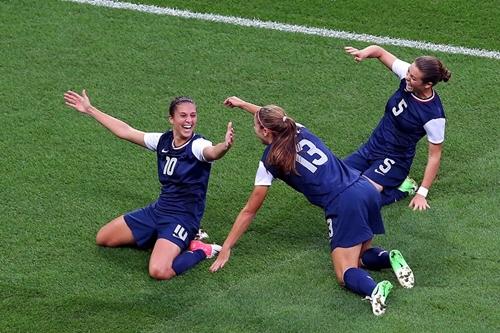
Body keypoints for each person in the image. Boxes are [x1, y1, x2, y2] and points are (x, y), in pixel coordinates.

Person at [210, 97, 414, 316]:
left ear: (266, 131)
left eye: (255, 126)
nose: (254, 129)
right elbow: (273, 116)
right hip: (365, 188)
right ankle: (388, 257)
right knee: (361, 256)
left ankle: (375, 290)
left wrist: (227, 247)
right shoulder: (296, 128)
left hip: (344, 203)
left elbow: (250, 210)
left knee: (345, 272)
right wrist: (242, 104)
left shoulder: (270, 161)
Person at [63, 90, 234, 280]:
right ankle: (166, 240)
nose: (189, 120)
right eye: (183, 115)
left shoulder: (197, 145)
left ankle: (201, 249)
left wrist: (224, 146)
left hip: (183, 218)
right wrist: (90, 110)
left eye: (193, 115)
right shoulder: (163, 141)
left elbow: (211, 152)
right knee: (104, 238)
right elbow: (126, 131)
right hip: (158, 211)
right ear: (171, 119)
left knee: (159, 271)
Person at [344, 45, 451, 210]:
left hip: (395, 160)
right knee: (336, 181)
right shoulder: (408, 76)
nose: (407, 77)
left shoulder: (433, 115)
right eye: (409, 72)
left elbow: (435, 156)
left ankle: (403, 188)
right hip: (371, 147)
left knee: (358, 197)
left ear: (427, 84)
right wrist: (364, 53)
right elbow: (379, 52)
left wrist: (422, 193)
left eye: (413, 77)